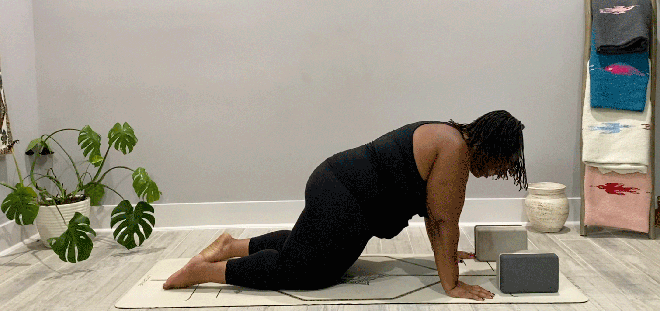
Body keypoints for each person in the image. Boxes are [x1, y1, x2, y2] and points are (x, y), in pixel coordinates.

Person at [163, 110, 527, 302]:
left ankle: (230, 247)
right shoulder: (455, 151)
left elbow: (437, 221)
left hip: (341, 189)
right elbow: (443, 220)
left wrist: (447, 256)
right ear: (491, 147)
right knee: (309, 273)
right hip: (345, 197)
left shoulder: (449, 137)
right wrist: (452, 285)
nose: (499, 173)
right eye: (503, 164)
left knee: (308, 247)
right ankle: (205, 272)